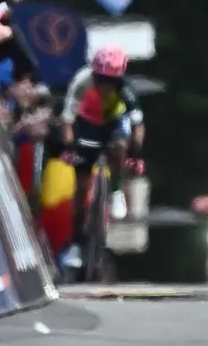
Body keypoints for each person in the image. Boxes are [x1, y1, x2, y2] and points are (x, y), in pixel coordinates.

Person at [59, 45, 145, 272]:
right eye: (100, 79)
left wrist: (135, 154)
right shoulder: (81, 82)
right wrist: (69, 148)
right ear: (93, 73)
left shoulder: (126, 88)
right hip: (87, 125)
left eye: (111, 81)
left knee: (120, 145)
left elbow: (138, 125)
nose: (105, 86)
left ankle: (115, 191)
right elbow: (67, 122)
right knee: (80, 189)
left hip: (115, 123)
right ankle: (76, 244)